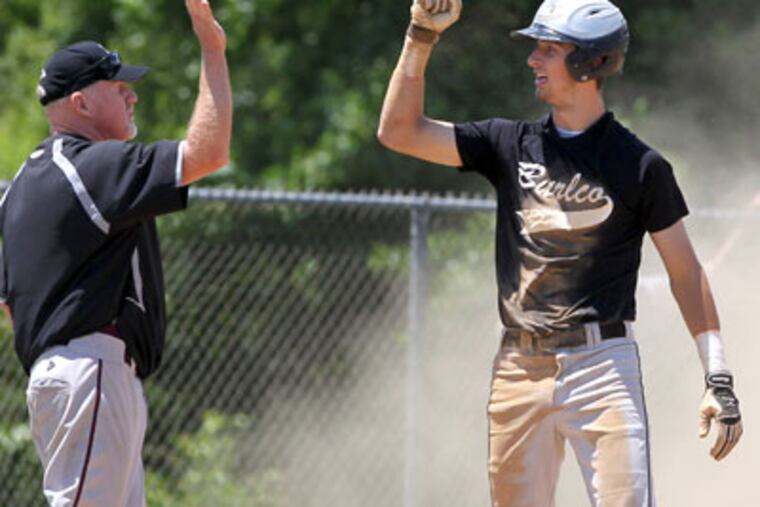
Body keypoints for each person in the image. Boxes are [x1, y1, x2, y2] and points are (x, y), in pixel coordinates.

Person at [377, 0, 743, 505]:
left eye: (549, 49)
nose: (533, 60)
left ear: (590, 62)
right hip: (518, 368)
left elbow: (686, 272)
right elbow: (398, 131)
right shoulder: (508, 143)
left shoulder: (639, 165)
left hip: (602, 367)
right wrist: (420, 36)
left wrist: (717, 376)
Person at [0, 1, 231, 505]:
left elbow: (10, 302)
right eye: (118, 85)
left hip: (66, 375)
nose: (132, 95)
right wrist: (213, 52)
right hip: (91, 369)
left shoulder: (20, 186)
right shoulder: (91, 165)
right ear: (80, 103)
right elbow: (208, 151)